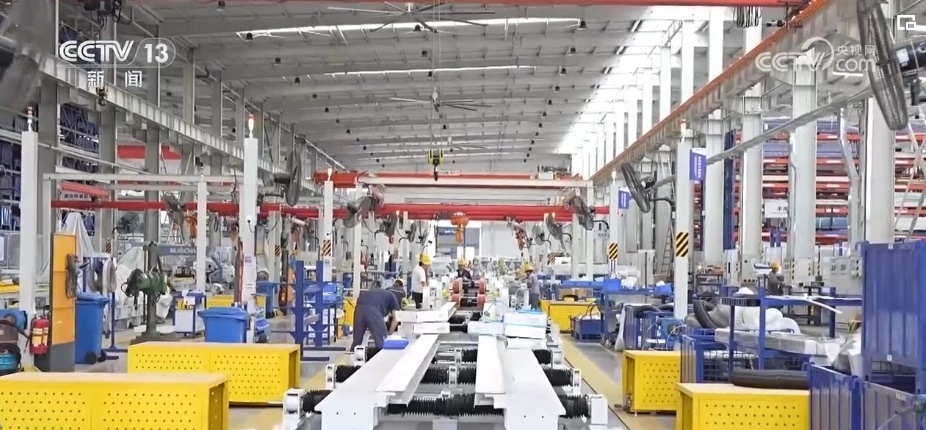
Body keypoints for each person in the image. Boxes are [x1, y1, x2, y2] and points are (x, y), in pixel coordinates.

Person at [349, 281, 400, 352]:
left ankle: (352, 356)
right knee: (381, 341)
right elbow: (396, 318)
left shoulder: (377, 293)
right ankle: (381, 357)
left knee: (357, 341)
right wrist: (390, 334)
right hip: (373, 310)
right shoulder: (392, 296)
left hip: (359, 309)